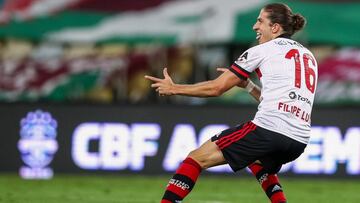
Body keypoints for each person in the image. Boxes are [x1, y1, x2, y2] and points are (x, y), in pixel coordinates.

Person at [145, 3, 317, 203]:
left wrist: (175, 88)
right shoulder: (308, 56)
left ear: (275, 27)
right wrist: (248, 86)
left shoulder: (262, 50)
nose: (255, 26)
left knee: (195, 158)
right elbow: (278, 100)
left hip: (270, 130)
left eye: (260, 21)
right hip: (299, 140)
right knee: (257, 161)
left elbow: (216, 88)